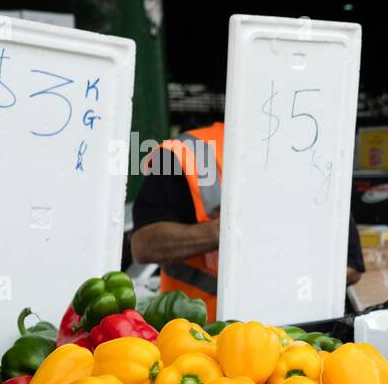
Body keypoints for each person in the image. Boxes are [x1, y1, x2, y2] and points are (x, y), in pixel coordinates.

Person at [131, 121, 364, 322]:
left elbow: (350, 267)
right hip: (197, 339)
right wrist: (228, 228)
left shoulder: (312, 157)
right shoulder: (188, 152)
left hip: (293, 337)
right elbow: (144, 246)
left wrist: (281, 287)